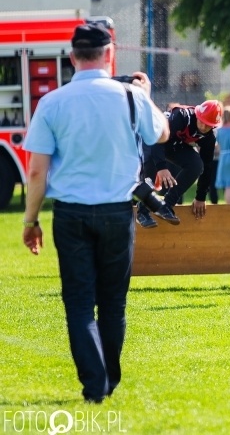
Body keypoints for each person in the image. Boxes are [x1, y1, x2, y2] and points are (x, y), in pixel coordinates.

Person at [22, 23, 169, 403]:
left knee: (79, 301)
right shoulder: (129, 96)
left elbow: (37, 170)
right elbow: (163, 133)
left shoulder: (52, 102)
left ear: (72, 57)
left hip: (71, 214)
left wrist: (30, 220)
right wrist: (145, 95)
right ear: (109, 55)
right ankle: (110, 379)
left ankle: (95, 384)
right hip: (118, 211)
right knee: (114, 301)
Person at [136, 99, 223, 228]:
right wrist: (161, 167)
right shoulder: (182, 116)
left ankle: (167, 204)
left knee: (197, 165)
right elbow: (157, 139)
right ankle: (142, 212)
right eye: (202, 121)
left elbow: (207, 167)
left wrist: (201, 197)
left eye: (208, 125)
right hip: (153, 140)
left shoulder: (209, 137)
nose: (203, 127)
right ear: (197, 115)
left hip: (174, 145)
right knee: (152, 175)